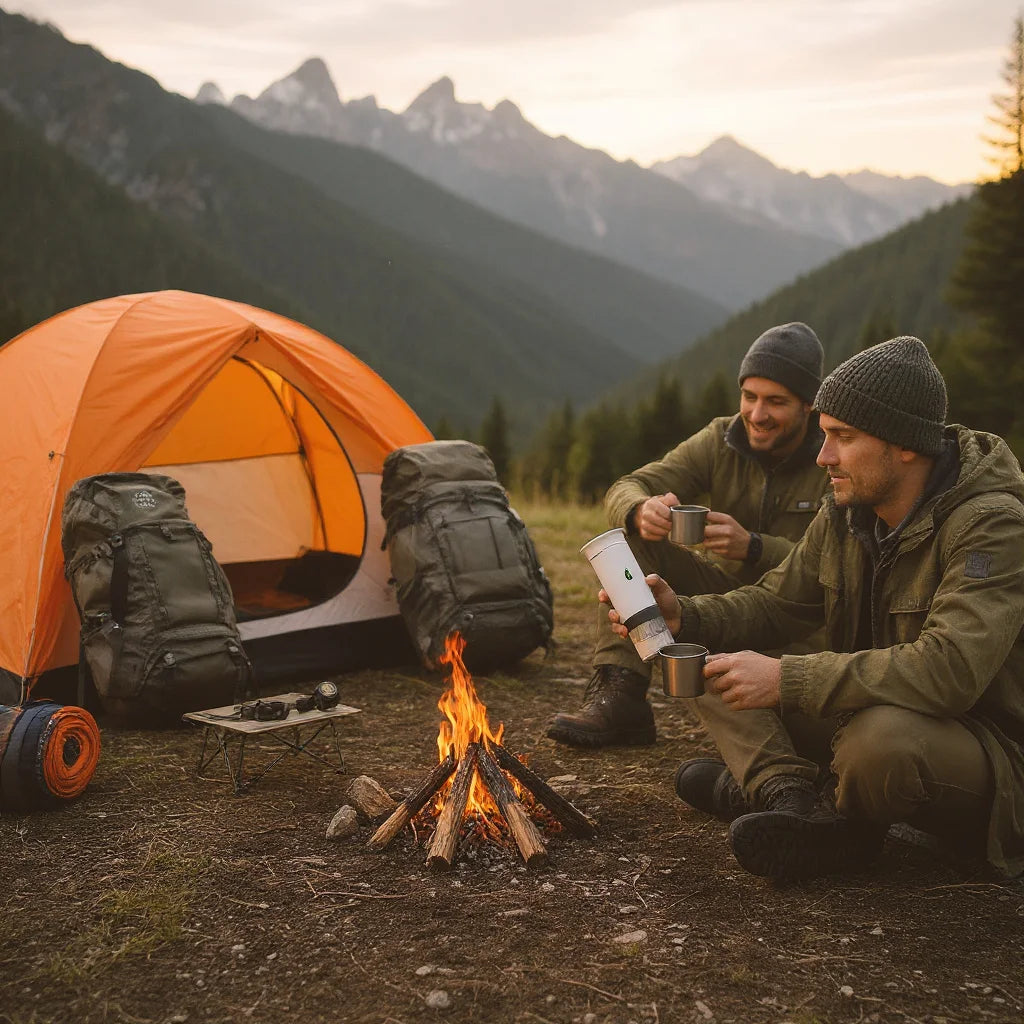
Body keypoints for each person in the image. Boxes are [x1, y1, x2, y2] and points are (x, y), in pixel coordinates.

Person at [605, 336, 1024, 881]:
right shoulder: (850, 511)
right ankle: (789, 796)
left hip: (983, 750)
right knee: (706, 659)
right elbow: (776, 602)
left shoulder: (990, 526)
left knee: (878, 747)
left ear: (904, 444)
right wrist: (685, 614)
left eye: (842, 438)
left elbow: (950, 672)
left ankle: (838, 824)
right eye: (824, 435)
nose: (823, 456)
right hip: (867, 707)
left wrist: (787, 678)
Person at [547, 322, 829, 747]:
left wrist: (755, 548)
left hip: (797, 619)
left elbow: (837, 565)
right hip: (721, 600)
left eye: (776, 401)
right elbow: (626, 485)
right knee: (629, 541)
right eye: (749, 396)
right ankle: (621, 694)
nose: (756, 414)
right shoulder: (722, 438)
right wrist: (640, 509)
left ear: (808, 406)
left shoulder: (832, 454)